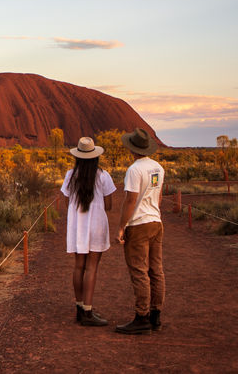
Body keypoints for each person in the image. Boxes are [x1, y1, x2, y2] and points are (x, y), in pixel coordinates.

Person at [61, 136, 116, 326]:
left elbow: (66, 201)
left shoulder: (70, 175)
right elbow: (109, 205)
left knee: (78, 266)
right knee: (92, 267)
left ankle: (79, 307)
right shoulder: (102, 175)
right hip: (97, 225)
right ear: (95, 157)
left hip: (77, 226)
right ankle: (88, 311)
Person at [116, 128, 165, 335]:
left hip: (139, 224)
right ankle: (155, 315)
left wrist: (121, 226)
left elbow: (130, 200)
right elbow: (159, 196)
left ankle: (142, 317)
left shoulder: (134, 170)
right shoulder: (158, 168)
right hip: (156, 222)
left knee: (139, 270)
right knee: (156, 269)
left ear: (132, 149)